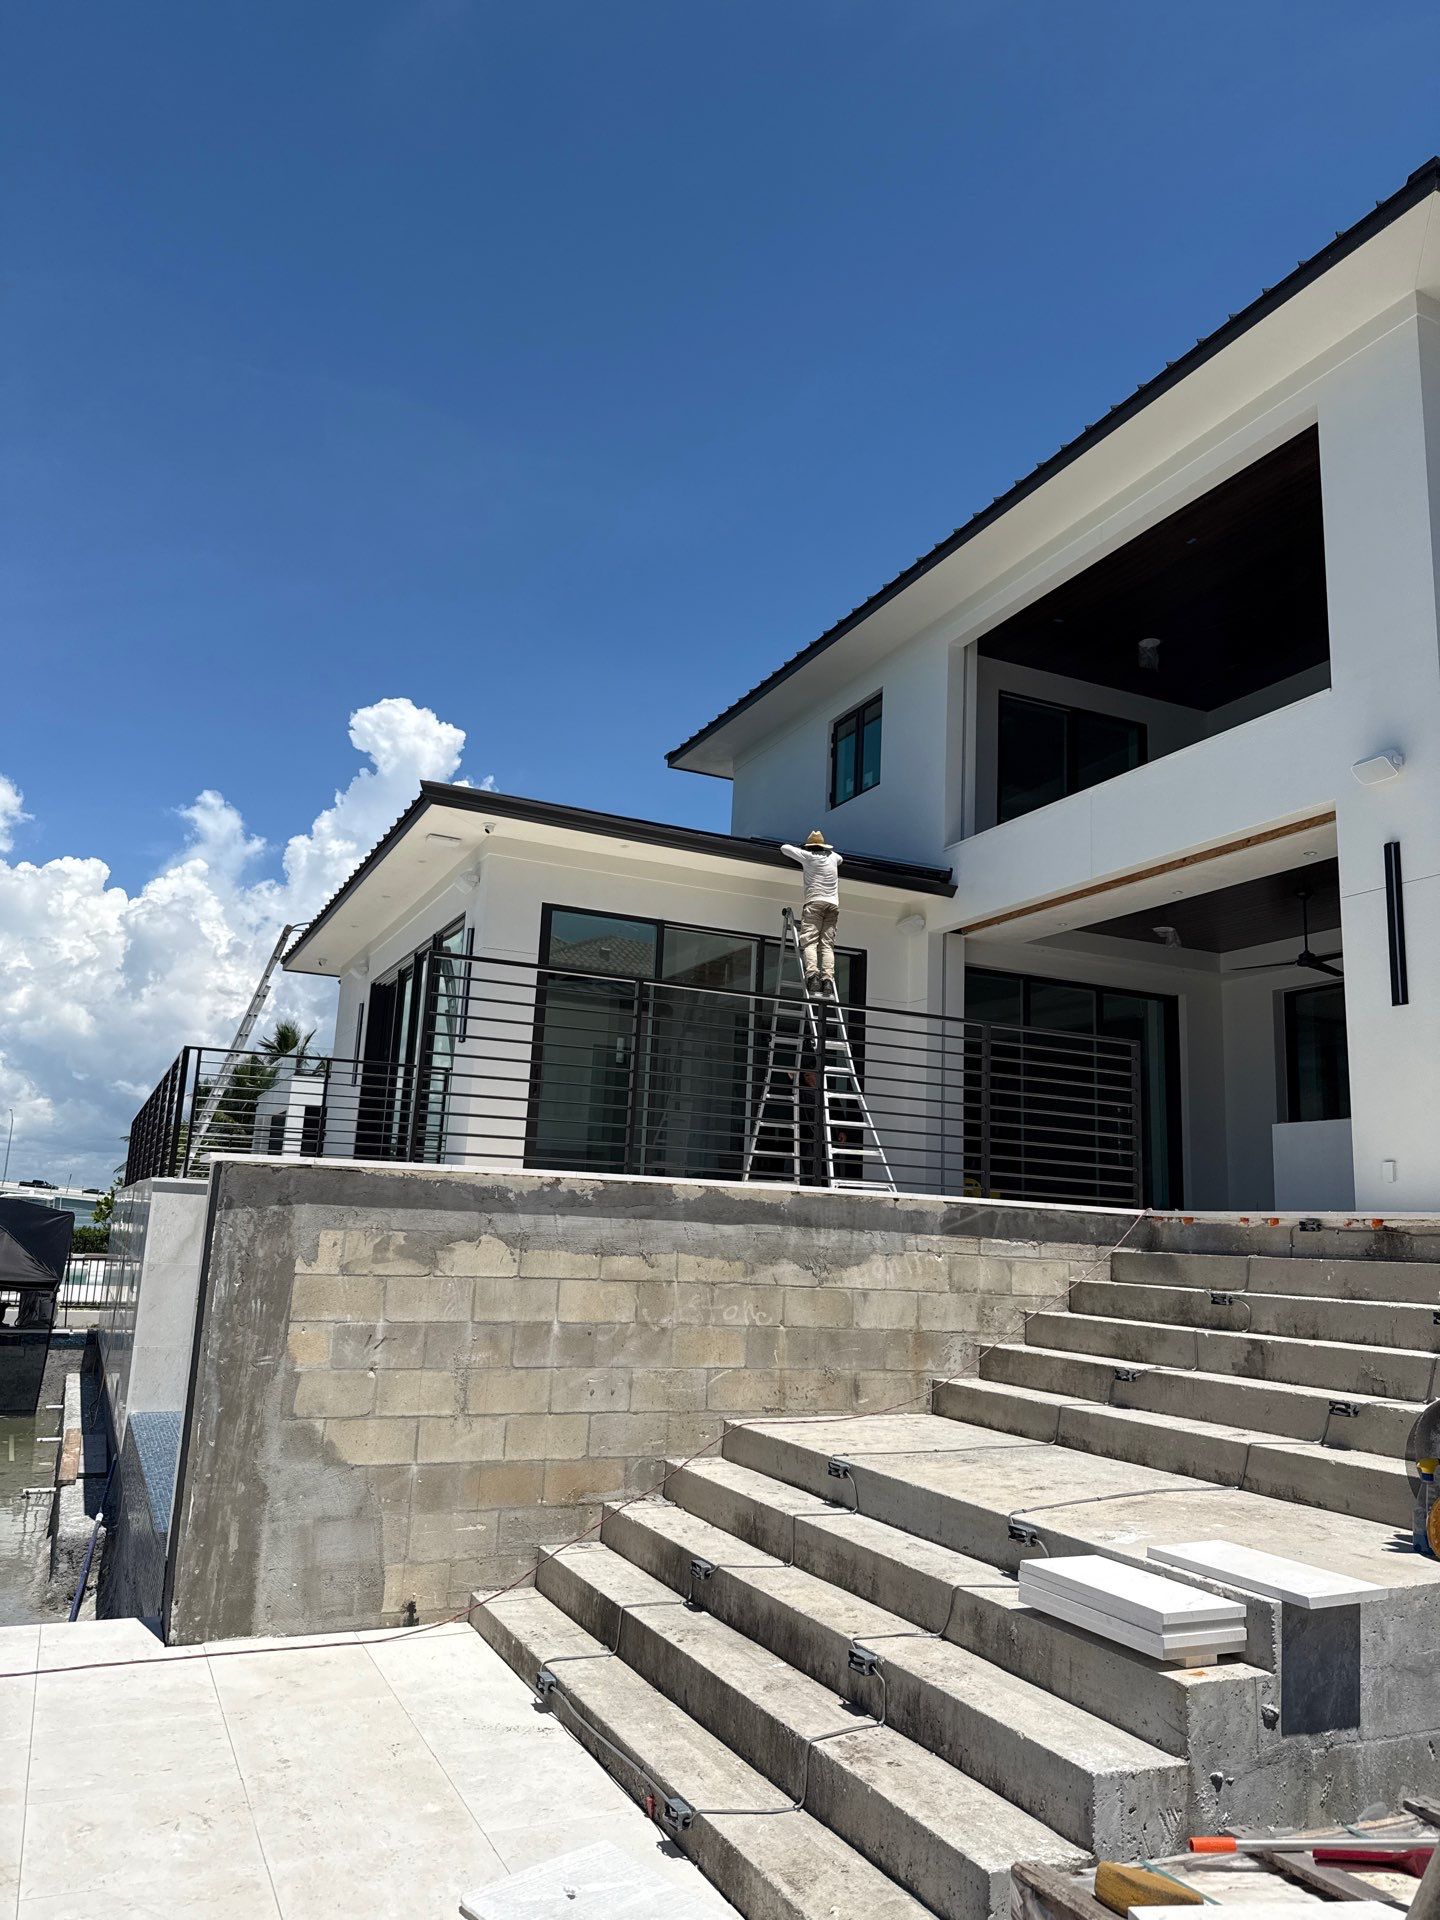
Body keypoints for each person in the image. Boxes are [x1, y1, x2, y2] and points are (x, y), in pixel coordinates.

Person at [781, 829, 842, 992]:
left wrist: (801, 848)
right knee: (827, 945)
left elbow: (784, 848)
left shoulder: (807, 857)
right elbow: (840, 859)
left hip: (815, 903)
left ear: (809, 847)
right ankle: (828, 979)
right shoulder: (833, 857)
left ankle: (813, 976)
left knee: (809, 942)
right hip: (833, 905)